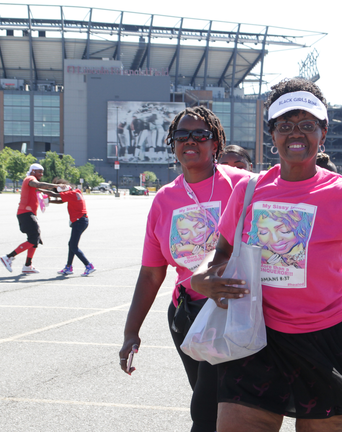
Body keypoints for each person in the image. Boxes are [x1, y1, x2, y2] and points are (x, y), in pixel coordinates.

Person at [190, 77, 342, 432]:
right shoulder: (249, 190)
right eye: (285, 125)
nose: (296, 133)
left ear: (323, 133)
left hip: (329, 343)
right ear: (272, 134)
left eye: (307, 124)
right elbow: (220, 253)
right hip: (257, 338)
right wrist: (203, 277)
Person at [119, 106, 252, 432]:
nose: (190, 141)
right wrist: (130, 331)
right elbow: (152, 272)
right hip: (186, 315)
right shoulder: (165, 199)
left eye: (200, 135)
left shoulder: (244, 185)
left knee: (209, 411)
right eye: (182, 135)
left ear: (215, 143)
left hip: (232, 313)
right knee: (212, 403)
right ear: (172, 142)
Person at [0, 163, 60, 275]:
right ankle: (8, 257)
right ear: (32, 171)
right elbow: (37, 184)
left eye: (42, 172)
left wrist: (64, 193)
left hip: (29, 214)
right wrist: (55, 185)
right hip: (25, 213)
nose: (41, 174)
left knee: (35, 240)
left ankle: (27, 265)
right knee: (34, 238)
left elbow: (47, 192)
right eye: (39, 171)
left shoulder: (35, 185)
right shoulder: (30, 179)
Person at [41, 179, 96, 277]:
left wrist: (40, 190)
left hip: (79, 222)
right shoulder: (76, 192)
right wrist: (50, 201)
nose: (58, 192)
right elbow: (62, 201)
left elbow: (55, 195)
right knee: (71, 244)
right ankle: (68, 267)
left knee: (73, 246)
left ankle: (88, 265)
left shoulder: (70, 194)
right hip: (82, 221)